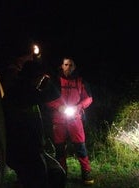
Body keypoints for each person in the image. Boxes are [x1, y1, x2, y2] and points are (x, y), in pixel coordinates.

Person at [0, 46, 66, 188]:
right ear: (34, 77)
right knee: (42, 179)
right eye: (39, 78)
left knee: (53, 174)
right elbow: (54, 94)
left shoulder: (21, 90)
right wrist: (48, 80)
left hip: (29, 149)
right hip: (26, 151)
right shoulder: (23, 93)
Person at [45, 57, 94, 185]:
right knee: (60, 148)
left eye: (71, 65)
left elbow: (88, 98)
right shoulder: (54, 81)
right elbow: (47, 99)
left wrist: (78, 107)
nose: (68, 67)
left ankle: (86, 172)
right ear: (62, 66)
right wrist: (59, 106)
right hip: (58, 119)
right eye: (66, 64)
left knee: (80, 146)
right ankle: (61, 173)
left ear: (75, 67)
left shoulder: (80, 81)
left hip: (75, 118)